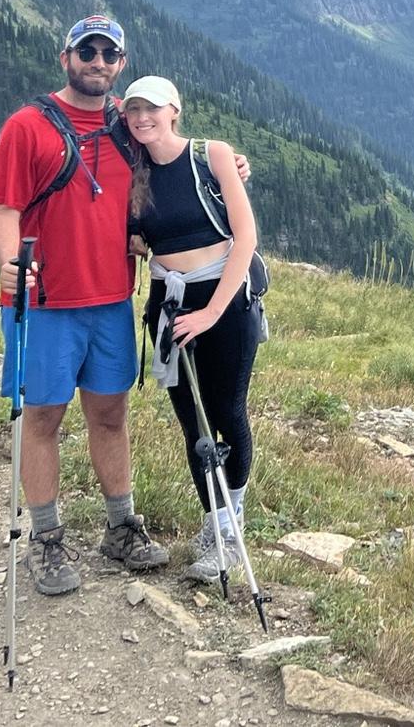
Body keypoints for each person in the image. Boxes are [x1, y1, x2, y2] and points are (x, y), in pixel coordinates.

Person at [0, 15, 168, 596]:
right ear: (65, 57)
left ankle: (120, 526)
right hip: (45, 303)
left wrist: (230, 164)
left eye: (108, 54)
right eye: (86, 51)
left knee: (110, 416)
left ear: (121, 63)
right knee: (43, 419)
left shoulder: (128, 127)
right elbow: (3, 209)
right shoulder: (26, 126)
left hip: (111, 299)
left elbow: (177, 159)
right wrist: (11, 263)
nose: (97, 61)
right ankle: (46, 539)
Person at [123, 75, 263, 583]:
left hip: (225, 297)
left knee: (226, 410)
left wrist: (211, 313)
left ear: (174, 111)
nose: (144, 117)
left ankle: (231, 527)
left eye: (153, 109)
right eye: (135, 108)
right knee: (193, 423)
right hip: (168, 300)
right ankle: (215, 524)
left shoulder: (214, 155)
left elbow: (244, 238)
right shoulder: (128, 168)